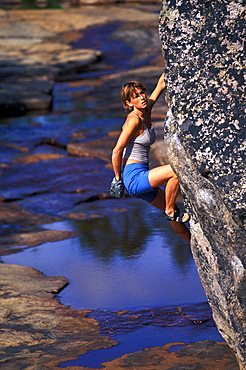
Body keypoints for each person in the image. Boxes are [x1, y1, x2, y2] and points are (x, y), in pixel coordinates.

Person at [110, 74, 191, 243]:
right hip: (133, 178)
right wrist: (117, 180)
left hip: (142, 175)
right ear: (129, 103)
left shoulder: (146, 110)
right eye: (136, 96)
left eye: (142, 93)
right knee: (176, 171)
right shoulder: (133, 120)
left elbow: (160, 85)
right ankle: (170, 210)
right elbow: (117, 151)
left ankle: (191, 243)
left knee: (174, 210)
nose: (142, 97)